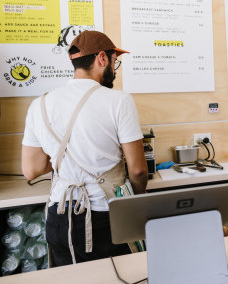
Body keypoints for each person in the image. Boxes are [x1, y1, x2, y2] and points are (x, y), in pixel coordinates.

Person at [21, 30, 148, 266]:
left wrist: (69, 157)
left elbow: (31, 169)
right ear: (102, 58)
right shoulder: (118, 100)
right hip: (104, 214)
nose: (115, 67)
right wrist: (139, 200)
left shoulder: (39, 104)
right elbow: (138, 170)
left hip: (58, 218)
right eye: (114, 61)